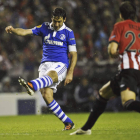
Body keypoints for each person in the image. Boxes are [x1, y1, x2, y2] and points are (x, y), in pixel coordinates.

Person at [70, 1, 140, 135]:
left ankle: (86, 129)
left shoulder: (119, 26)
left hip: (130, 69)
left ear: (121, 14)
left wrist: (119, 51)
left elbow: (112, 51)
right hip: (135, 68)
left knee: (128, 102)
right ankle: (86, 129)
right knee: (103, 93)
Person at [5, 7, 77, 130]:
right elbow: (25, 31)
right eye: (55, 21)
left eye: (59, 21)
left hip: (60, 64)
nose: (57, 24)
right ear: (52, 19)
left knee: (52, 75)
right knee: (46, 95)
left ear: (64, 19)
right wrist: (13, 30)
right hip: (45, 65)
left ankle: (32, 85)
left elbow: (74, 54)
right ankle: (68, 122)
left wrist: (70, 73)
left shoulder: (68, 32)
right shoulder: (44, 27)